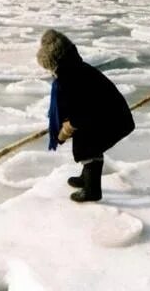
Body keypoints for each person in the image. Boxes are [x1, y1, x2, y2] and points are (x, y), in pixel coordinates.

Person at [37, 28, 135, 202]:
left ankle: (92, 190)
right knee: (86, 143)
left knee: (87, 147)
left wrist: (64, 131)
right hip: (107, 114)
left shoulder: (71, 79)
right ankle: (86, 178)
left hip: (112, 119)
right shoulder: (75, 69)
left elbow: (81, 112)